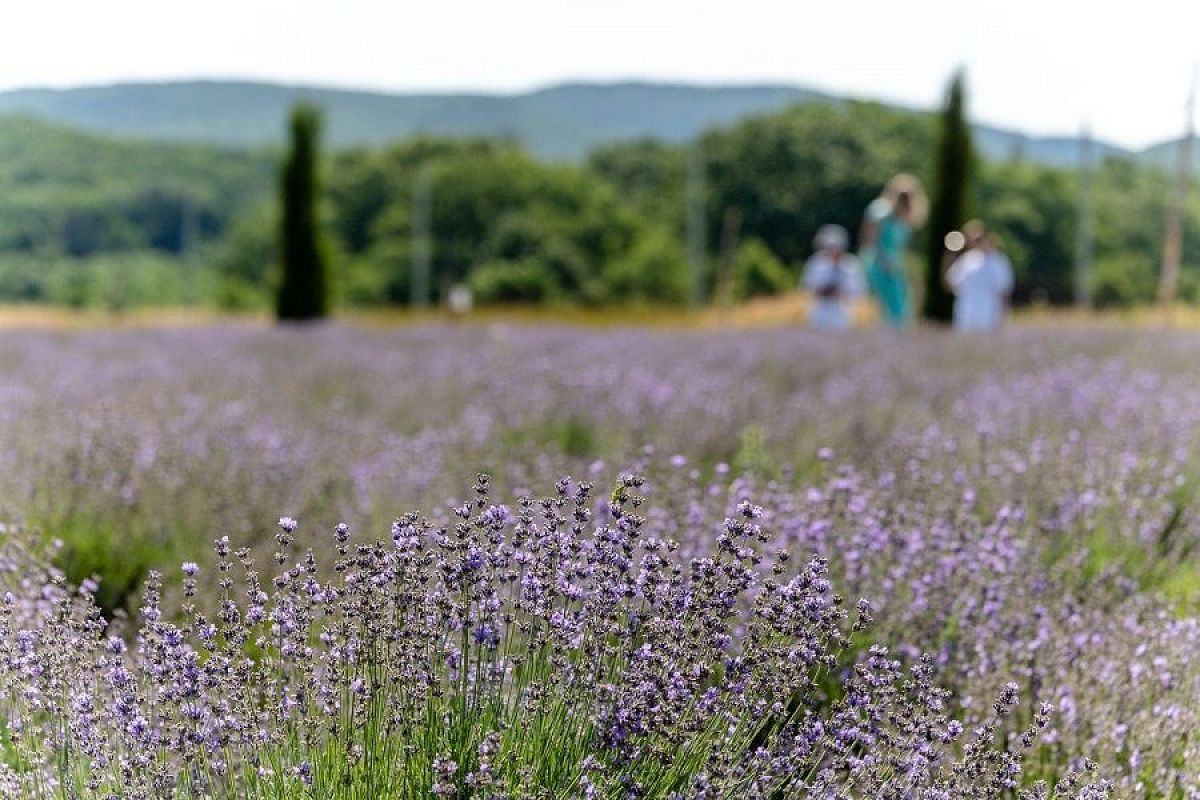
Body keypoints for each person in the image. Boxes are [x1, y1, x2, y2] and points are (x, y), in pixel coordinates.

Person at [862, 174, 927, 328]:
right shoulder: (879, 211)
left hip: (897, 268)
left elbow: (905, 251)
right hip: (878, 265)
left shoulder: (903, 221)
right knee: (885, 310)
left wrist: (913, 274)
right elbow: (869, 241)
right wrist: (884, 261)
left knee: (903, 310)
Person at [945, 220, 1014, 331]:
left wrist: (1003, 319)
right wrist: (949, 256)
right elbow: (950, 284)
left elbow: (1004, 292)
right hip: (966, 318)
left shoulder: (998, 261)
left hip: (989, 318)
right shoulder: (967, 259)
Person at [802, 224, 863, 331]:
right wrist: (822, 290)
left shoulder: (851, 264)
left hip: (843, 312)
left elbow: (859, 291)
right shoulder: (816, 263)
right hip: (820, 312)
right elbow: (807, 287)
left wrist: (841, 292)